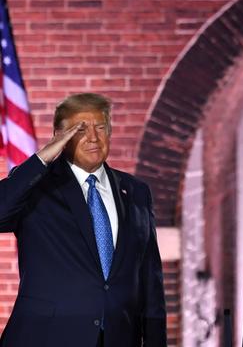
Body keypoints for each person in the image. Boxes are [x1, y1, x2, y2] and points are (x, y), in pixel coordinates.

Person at [0, 93, 166, 347]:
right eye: (80, 129)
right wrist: (43, 157)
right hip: (46, 338)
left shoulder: (136, 191)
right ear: (60, 136)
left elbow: (150, 278)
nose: (92, 137)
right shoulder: (37, 187)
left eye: (100, 127)